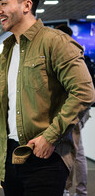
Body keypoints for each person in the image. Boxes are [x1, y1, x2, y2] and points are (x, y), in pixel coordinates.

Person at [0, 0, 95, 196]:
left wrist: (49, 137)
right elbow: (6, 103)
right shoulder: (7, 51)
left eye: (4, 3)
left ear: (26, 5)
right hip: (10, 155)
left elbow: (84, 92)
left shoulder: (55, 42)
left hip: (45, 156)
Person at [55, 24, 91, 196]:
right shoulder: (80, 53)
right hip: (82, 110)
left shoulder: (67, 52)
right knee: (78, 150)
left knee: (69, 150)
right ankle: (79, 191)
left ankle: (66, 189)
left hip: (72, 108)